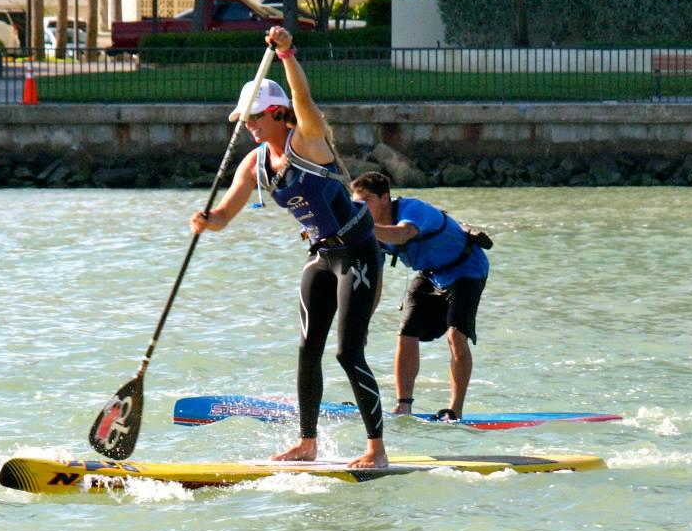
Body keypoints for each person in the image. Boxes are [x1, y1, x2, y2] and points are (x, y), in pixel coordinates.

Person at [189, 27, 387, 468]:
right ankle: (307, 442)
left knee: (347, 353)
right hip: (320, 257)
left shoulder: (309, 141)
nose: (250, 127)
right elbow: (224, 216)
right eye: (246, 121)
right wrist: (207, 222)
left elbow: (306, 102)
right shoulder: (253, 163)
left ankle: (376, 448)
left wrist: (287, 55)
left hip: (357, 254)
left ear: (278, 113)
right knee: (307, 350)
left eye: (256, 119)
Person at [350, 172, 490, 421]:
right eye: (356, 204)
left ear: (384, 198)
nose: (359, 208)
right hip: (431, 275)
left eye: (366, 201)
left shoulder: (412, 209)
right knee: (406, 333)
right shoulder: (373, 235)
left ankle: (455, 410)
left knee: (456, 336)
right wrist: (363, 323)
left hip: (467, 269)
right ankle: (404, 405)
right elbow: (376, 282)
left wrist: (365, 228)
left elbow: (403, 234)